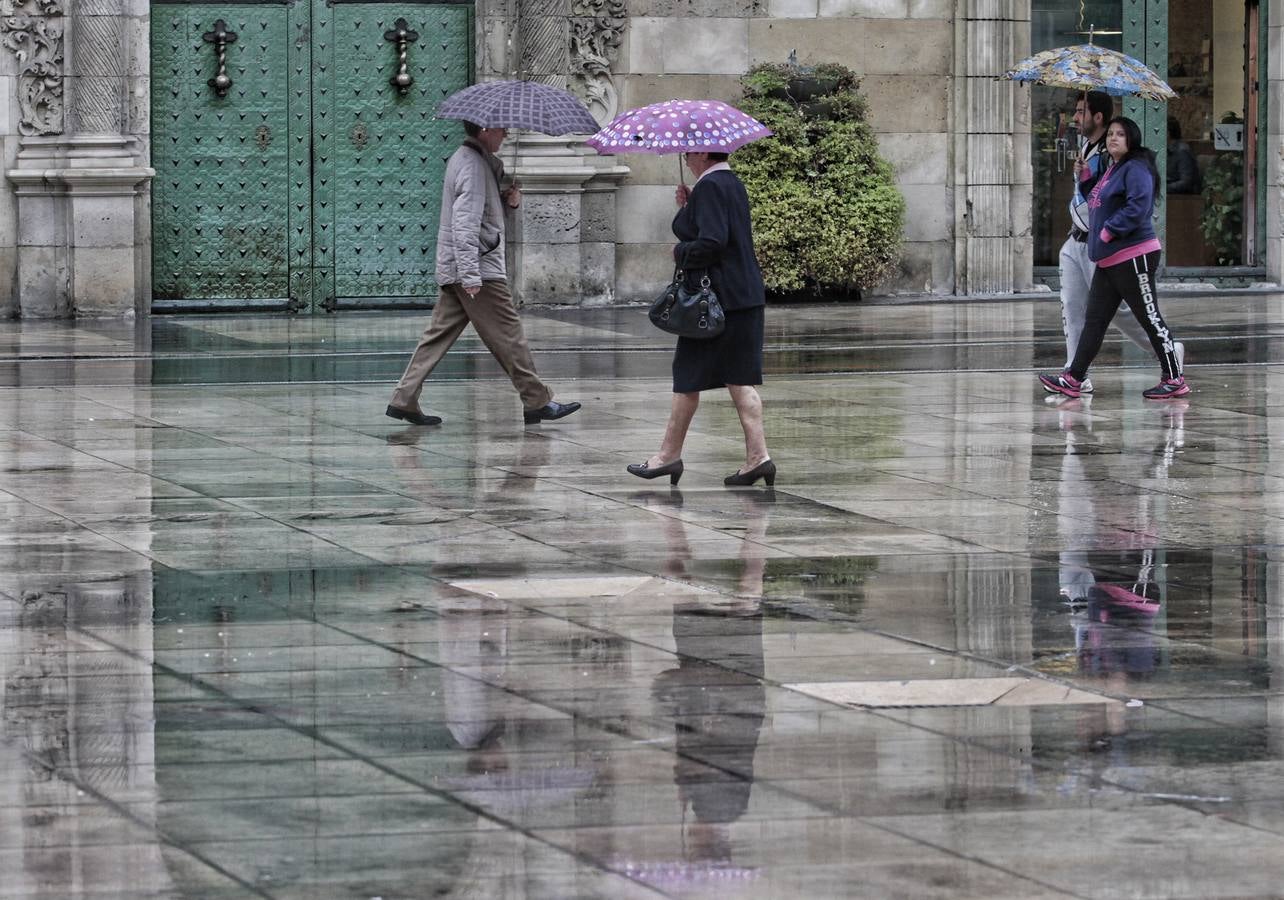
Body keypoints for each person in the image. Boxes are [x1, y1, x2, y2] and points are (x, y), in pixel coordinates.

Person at [385, 121, 580, 427]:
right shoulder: (473, 166)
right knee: (509, 335)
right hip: (480, 269)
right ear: (486, 128)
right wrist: (471, 276)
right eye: (502, 129)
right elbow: (465, 226)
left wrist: (506, 199)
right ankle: (536, 400)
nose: (507, 134)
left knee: (437, 336)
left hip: (463, 267)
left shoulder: (472, 162)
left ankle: (404, 397)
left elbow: (479, 213)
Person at [626, 150, 774, 487]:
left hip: (716, 303)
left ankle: (667, 456)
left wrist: (680, 252)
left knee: (688, 376)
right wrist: (689, 207)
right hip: (743, 296)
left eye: (689, 152)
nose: (686, 157)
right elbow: (719, 230)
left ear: (705, 153)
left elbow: (712, 242)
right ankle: (758, 458)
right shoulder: (729, 182)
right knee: (739, 378)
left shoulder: (711, 188)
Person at [1040, 116, 1191, 401]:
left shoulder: (1136, 167)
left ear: (1131, 139)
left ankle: (1174, 378)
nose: (1113, 139)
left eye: (1120, 134)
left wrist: (1109, 231)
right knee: (1094, 320)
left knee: (1149, 316)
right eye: (1110, 134)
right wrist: (1085, 178)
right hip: (1109, 259)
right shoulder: (1113, 168)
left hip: (1133, 255)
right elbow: (1098, 203)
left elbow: (1138, 207)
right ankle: (1074, 377)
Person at [1166, 117, 1202, 194]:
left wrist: (1163, 188)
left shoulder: (1182, 151)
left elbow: (1185, 183)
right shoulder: (1166, 150)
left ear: (1167, 133)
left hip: (1183, 199)